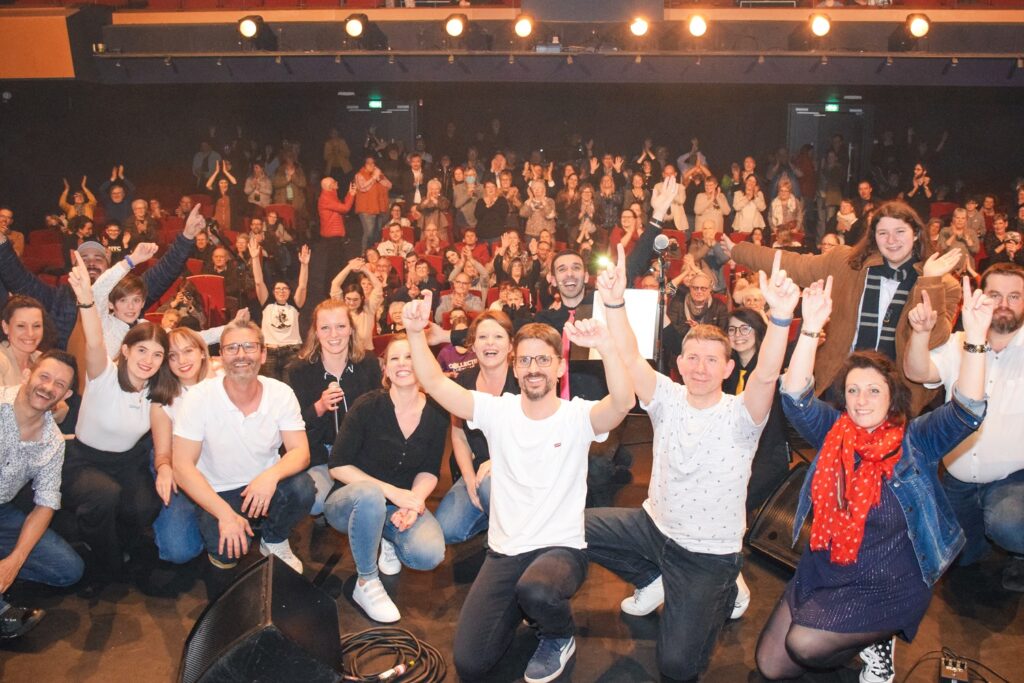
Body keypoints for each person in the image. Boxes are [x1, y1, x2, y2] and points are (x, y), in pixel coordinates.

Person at [754, 275, 990, 683]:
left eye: (873, 391)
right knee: (770, 666)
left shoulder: (917, 439)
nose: (861, 401)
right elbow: (794, 398)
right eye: (852, 391)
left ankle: (877, 638)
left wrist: (977, 338)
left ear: (892, 396)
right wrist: (808, 328)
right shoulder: (834, 433)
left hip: (890, 580)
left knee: (804, 645)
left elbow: (968, 409)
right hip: (827, 566)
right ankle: (850, 637)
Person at [587, 245, 798, 682]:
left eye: (711, 360)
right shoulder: (665, 396)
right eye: (692, 358)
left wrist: (780, 319)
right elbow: (629, 353)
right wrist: (613, 300)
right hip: (654, 528)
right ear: (680, 364)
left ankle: (725, 588)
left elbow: (765, 375)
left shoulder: (743, 415)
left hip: (707, 555)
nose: (700, 368)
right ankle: (652, 579)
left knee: (677, 667)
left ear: (725, 368)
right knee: (571, 525)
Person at [402, 291, 634, 683]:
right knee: (472, 663)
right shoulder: (498, 411)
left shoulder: (577, 415)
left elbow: (623, 402)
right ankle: (526, 606)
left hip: (561, 548)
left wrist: (607, 347)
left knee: (539, 590)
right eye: (525, 360)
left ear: (559, 367)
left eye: (543, 359)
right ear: (515, 366)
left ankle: (558, 635)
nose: (533, 368)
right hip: (506, 552)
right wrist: (413, 331)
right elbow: (435, 384)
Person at [725, 200, 963, 415]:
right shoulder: (846, 263)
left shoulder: (944, 285)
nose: (891, 241)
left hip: (899, 394)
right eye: (883, 233)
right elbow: (792, 263)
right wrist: (739, 250)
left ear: (916, 234)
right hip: (841, 384)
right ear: (873, 237)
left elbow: (935, 341)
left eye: (900, 232)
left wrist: (930, 282)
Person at [904, 262, 1024, 592]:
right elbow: (917, 371)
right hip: (956, 480)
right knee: (959, 558)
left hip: (1012, 480)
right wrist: (921, 333)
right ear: (982, 297)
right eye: (996, 294)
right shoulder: (959, 342)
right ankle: (980, 539)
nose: (1004, 303)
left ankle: (1019, 553)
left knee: (1010, 525)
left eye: (1014, 296)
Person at [62, 253, 175, 583]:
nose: (148, 360)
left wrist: (165, 466)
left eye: (157, 355)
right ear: (125, 351)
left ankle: (120, 542)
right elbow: (94, 338)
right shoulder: (103, 373)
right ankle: (106, 566)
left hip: (127, 462)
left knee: (144, 505)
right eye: (141, 351)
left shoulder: (156, 389)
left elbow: (162, 429)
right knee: (104, 495)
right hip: (84, 461)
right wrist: (86, 300)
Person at [171, 320, 315, 575]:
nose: (240, 354)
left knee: (303, 488)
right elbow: (182, 467)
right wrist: (225, 515)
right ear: (221, 355)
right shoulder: (199, 397)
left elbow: (300, 452)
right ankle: (233, 523)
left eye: (249, 346)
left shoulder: (281, 393)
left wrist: (269, 477)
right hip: (218, 491)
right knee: (227, 554)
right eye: (232, 348)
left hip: (264, 485)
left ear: (263, 353)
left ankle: (273, 539)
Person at [323, 335, 448, 623]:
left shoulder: (437, 413)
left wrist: (414, 502)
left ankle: (386, 538)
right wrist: (393, 493)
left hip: (399, 502)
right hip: (352, 502)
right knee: (370, 495)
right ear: (385, 369)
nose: (403, 364)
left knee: (428, 554)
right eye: (395, 358)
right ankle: (366, 581)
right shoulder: (367, 406)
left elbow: (429, 470)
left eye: (411, 358)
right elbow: (338, 465)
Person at [0, 205, 205, 348]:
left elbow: (163, 273)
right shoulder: (56, 298)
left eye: (97, 258)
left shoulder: (123, 297)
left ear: (108, 264)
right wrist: (1, 244)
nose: (90, 262)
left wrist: (186, 236)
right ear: (74, 263)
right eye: (84, 257)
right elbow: (19, 280)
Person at [0, 350, 84, 639]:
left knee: (68, 570)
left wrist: (15, 561)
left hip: (3, 511)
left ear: (66, 394)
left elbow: (45, 504)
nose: (48, 387)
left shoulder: (53, 442)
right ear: (27, 374)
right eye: (44, 377)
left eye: (59, 384)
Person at [286, 299, 381, 517]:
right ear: (316, 333)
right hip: (322, 454)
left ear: (351, 329)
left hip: (362, 454)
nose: (334, 335)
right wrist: (319, 408)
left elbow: (379, 416)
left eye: (340, 326)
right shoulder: (299, 371)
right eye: (325, 328)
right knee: (315, 502)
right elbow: (294, 426)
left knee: (369, 496)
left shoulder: (368, 364)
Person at [434, 311, 516, 544]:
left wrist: (498, 462)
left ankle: (511, 540)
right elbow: (458, 435)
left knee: (491, 484)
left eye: (498, 337)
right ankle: (495, 515)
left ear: (511, 345)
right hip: (479, 470)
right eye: (482, 337)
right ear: (473, 345)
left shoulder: (522, 379)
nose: (490, 343)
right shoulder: (464, 381)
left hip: (517, 467)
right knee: (446, 530)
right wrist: (469, 480)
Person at [148, 328, 215, 565]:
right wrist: (164, 468)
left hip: (218, 470)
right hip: (179, 469)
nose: (182, 361)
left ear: (202, 353)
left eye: (188, 351)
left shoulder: (221, 385)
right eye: (173, 356)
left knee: (227, 542)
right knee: (180, 551)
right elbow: (163, 452)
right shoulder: (163, 400)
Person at [252, 242, 310, 381]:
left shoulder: (295, 305)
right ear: (273, 292)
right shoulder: (267, 304)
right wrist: (255, 258)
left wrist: (304, 264)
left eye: (285, 289)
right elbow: (259, 282)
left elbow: (302, 286)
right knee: (270, 388)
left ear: (290, 292)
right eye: (278, 289)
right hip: (270, 351)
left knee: (289, 388)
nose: (281, 291)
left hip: (291, 352)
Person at [355, 156, 393, 254]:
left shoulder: (378, 175)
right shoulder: (359, 175)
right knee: (369, 233)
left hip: (380, 208)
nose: (372, 165)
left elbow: (389, 185)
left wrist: (379, 178)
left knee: (378, 233)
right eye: (369, 163)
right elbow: (363, 188)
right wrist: (374, 178)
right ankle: (365, 253)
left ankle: (374, 253)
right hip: (367, 209)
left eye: (373, 163)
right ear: (364, 165)